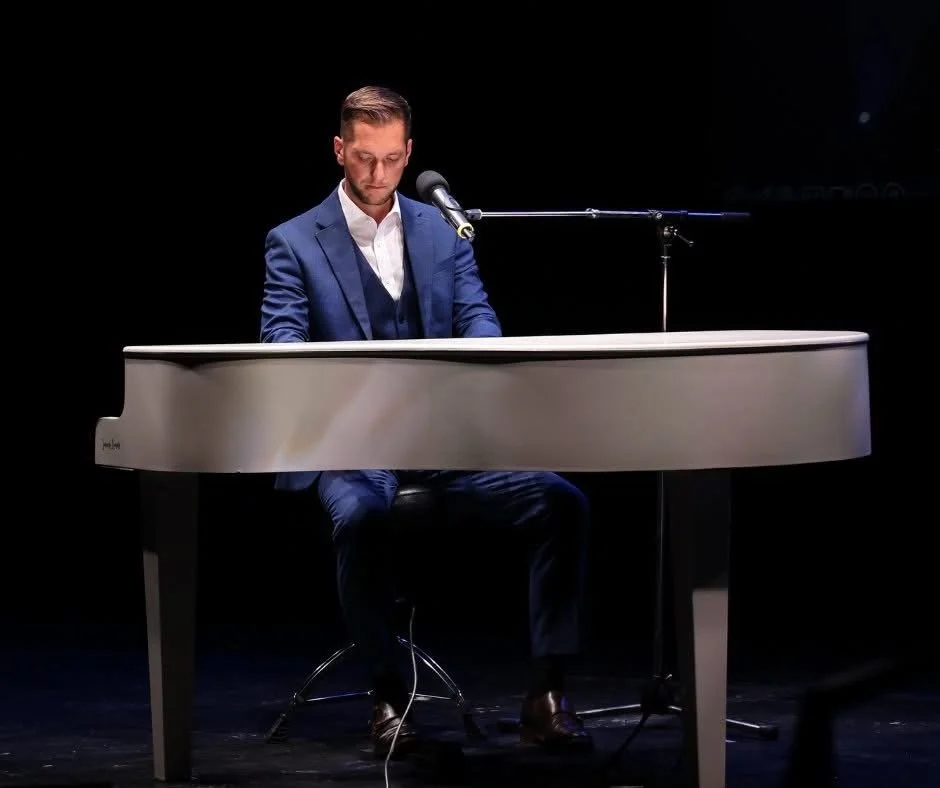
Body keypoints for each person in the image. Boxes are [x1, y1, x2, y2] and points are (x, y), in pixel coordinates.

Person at [260, 86, 592, 757]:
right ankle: (388, 696)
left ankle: (546, 696)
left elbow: (478, 316)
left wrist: (482, 363)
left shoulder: (444, 228)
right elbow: (280, 342)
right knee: (362, 517)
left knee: (561, 502)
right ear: (339, 150)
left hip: (443, 444)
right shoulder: (293, 241)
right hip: (354, 448)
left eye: (390, 158)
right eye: (363, 157)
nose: (377, 173)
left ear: (409, 153)